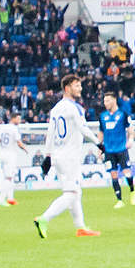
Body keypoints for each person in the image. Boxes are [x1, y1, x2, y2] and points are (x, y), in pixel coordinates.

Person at [33, 75, 103, 238]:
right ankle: (44, 218)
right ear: (67, 88)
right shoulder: (75, 108)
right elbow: (83, 128)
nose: (80, 89)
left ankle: (81, 228)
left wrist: (48, 156)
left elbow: (50, 134)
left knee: (75, 192)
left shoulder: (56, 108)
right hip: (70, 157)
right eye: (77, 86)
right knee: (71, 194)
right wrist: (99, 143)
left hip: (58, 155)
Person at [100, 93, 135, 208]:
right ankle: (120, 200)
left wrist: (131, 139)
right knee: (113, 174)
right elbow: (101, 132)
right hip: (108, 150)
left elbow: (130, 128)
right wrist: (99, 147)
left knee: (127, 172)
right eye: (104, 101)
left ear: (114, 100)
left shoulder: (123, 114)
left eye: (107, 101)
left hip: (121, 149)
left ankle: (132, 190)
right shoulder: (102, 116)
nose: (105, 103)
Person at [0, 113, 28, 206]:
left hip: (2, 154)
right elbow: (19, 143)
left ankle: (10, 198)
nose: (19, 121)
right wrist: (26, 149)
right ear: (13, 119)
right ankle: (1, 200)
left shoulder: (2, 128)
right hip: (10, 155)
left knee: (9, 176)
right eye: (18, 119)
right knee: (9, 178)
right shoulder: (14, 129)